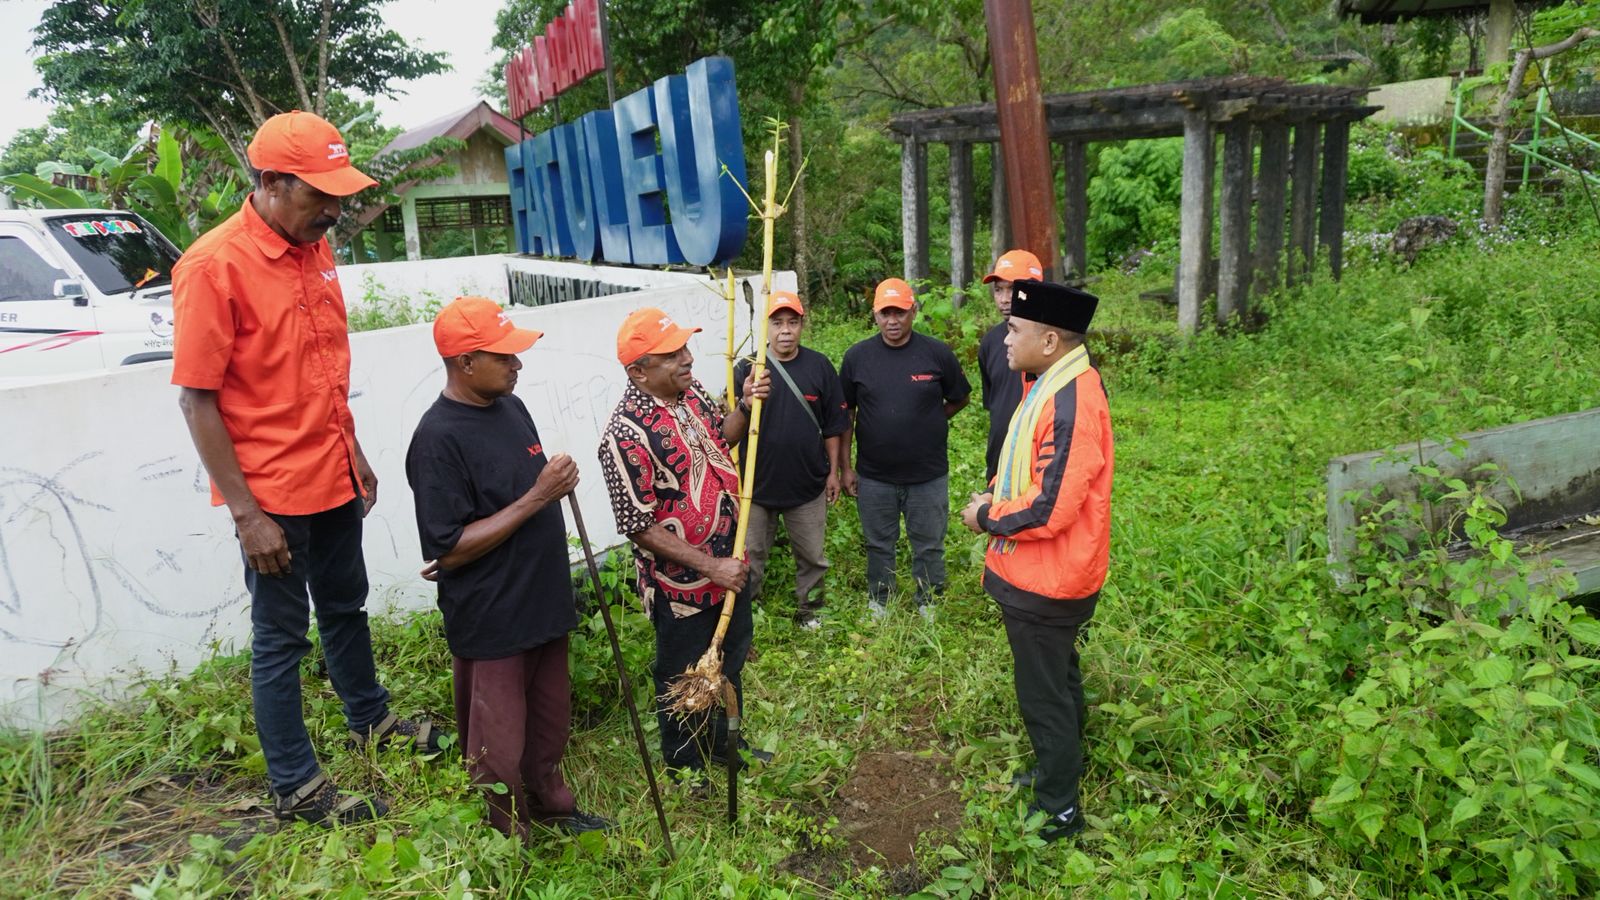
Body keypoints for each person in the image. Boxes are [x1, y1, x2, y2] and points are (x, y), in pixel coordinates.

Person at [171, 110, 441, 826]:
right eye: (317, 194)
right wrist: (247, 513)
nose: (333, 209)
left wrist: (352, 453)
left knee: (347, 606)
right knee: (282, 637)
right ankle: (295, 784)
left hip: (332, 474)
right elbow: (197, 402)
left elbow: (317, 369)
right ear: (269, 183)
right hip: (273, 492)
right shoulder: (212, 266)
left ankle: (370, 720)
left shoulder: (313, 247)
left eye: (337, 194)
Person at [405, 297, 613, 840]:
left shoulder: (510, 407)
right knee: (498, 742)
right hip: (495, 617)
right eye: (505, 356)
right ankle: (505, 840)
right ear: (465, 361)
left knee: (548, 723)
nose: (518, 364)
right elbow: (448, 549)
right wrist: (539, 495)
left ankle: (552, 808)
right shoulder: (437, 438)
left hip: (542, 600)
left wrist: (548, 488)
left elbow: (508, 498)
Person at [959, 278, 1112, 843]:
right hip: (1040, 574)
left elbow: (1050, 506)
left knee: (1043, 694)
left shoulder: (1071, 398)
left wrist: (986, 517)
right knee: (1058, 680)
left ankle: (1060, 807)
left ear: (1050, 341)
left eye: (1015, 329)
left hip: (1050, 579)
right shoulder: (1052, 382)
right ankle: (1060, 769)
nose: (1004, 337)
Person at [597, 307, 772, 788]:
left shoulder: (691, 396)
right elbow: (639, 525)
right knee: (682, 675)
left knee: (730, 659)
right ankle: (684, 766)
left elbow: (723, 439)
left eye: (685, 348)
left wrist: (745, 407)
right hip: (682, 586)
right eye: (671, 355)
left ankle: (723, 744)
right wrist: (710, 567)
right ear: (638, 371)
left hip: (728, 566)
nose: (687, 359)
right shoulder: (625, 435)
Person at [838, 278, 971, 619]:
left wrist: (930, 419)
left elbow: (959, 397)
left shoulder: (936, 353)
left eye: (900, 312)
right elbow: (846, 414)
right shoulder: (857, 357)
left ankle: (928, 598)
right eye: (885, 313)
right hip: (875, 475)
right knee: (878, 543)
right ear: (875, 315)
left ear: (914, 310)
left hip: (927, 474)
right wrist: (846, 468)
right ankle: (881, 598)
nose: (893, 321)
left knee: (929, 543)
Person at [732, 291, 849, 630]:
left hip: (808, 483)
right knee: (749, 558)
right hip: (756, 486)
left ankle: (810, 611)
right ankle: (745, 619)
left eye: (792, 322)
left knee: (812, 556)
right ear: (765, 327)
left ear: (801, 325)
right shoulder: (746, 369)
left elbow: (833, 426)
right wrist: (746, 399)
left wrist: (833, 472)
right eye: (777, 322)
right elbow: (728, 428)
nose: (785, 330)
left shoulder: (820, 366)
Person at [978, 250, 1045, 483]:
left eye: (1013, 289)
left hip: (1040, 463)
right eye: (999, 290)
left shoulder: (1057, 342)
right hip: (1000, 461)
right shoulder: (990, 342)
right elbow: (995, 405)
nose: (1005, 298)